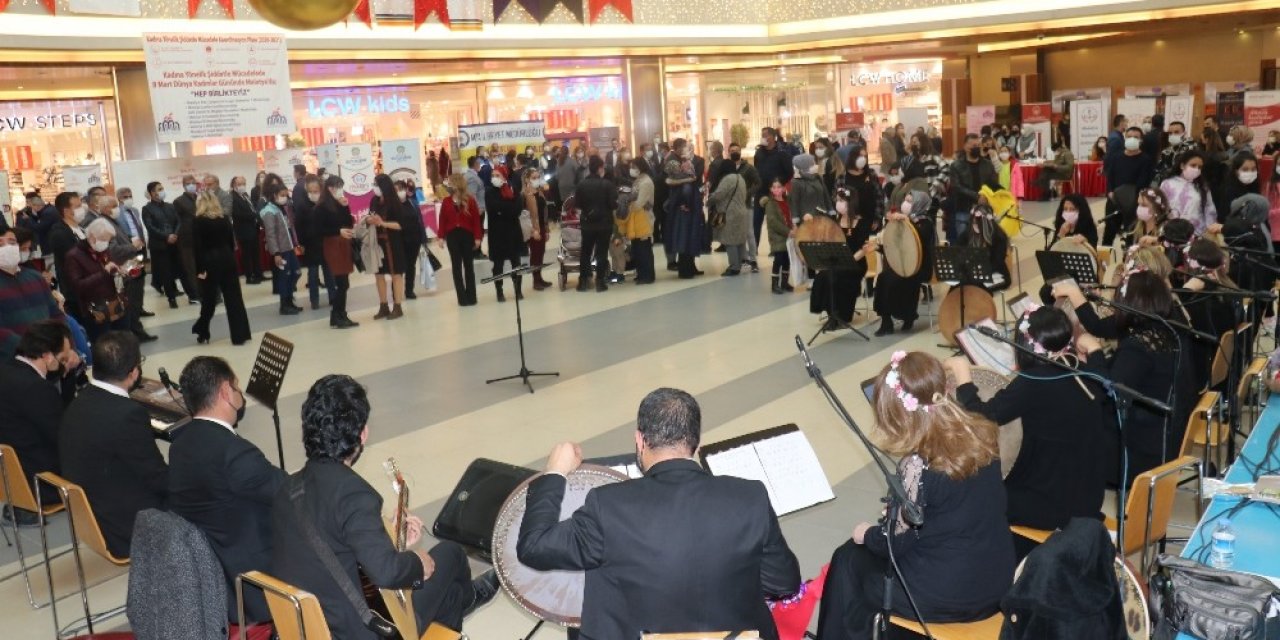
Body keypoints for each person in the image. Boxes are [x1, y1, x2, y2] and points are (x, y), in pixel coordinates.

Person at [517, 388, 800, 640]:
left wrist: (554, 473)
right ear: (696, 444)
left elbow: (534, 546)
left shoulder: (608, 506)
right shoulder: (749, 497)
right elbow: (783, 583)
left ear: (640, 440)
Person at [271, 375, 498, 640]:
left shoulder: (287, 488)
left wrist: (387, 536)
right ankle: (468, 598)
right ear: (362, 434)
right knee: (450, 554)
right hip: (362, 630)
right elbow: (386, 573)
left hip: (305, 627)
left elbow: (328, 543)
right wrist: (416, 563)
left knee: (446, 597)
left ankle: (457, 603)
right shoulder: (354, 493)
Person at [816, 351, 1014, 639]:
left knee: (849, 559)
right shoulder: (981, 432)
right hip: (996, 579)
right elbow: (949, 507)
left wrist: (868, 533)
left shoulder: (918, 464)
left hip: (950, 596)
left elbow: (893, 545)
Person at [949, 307, 1109, 552]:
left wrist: (962, 375)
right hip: (1088, 497)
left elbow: (984, 415)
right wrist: (1095, 348)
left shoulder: (1034, 382)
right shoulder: (1083, 370)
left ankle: (997, 560)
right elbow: (1101, 371)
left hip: (1054, 504)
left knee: (979, 491)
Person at [167, 356, 284, 623]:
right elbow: (288, 493)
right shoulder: (234, 453)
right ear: (224, 391)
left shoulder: (179, 446)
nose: (239, 392)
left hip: (210, 577)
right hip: (254, 584)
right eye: (236, 385)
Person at [1053, 272, 1197, 485]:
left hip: (1141, 452)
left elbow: (1108, 392)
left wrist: (1095, 352)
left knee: (1072, 412)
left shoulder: (1137, 347)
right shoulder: (1167, 328)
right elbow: (1101, 329)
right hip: (1166, 433)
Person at [60, 331, 167, 559]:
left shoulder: (79, 401)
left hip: (89, 518)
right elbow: (157, 477)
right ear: (134, 372)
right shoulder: (128, 414)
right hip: (124, 529)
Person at [0, 320, 78, 523]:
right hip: (41, 482)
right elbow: (64, 437)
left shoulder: (6, 371)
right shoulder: (36, 389)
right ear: (47, 355)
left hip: (9, 477)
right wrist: (68, 377)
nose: (66, 361)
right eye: (63, 357)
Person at [191, 191, 252, 346]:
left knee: (210, 299)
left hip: (209, 263)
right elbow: (231, 243)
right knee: (234, 298)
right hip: (228, 260)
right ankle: (241, 335)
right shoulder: (224, 219)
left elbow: (197, 248)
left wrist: (199, 270)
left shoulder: (198, 221)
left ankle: (202, 328)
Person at [873, 190, 936, 335]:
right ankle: (886, 320)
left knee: (895, 281)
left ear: (919, 203)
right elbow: (896, 246)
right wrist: (879, 247)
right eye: (905, 200)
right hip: (902, 263)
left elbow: (919, 240)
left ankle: (907, 315)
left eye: (910, 201)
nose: (905, 204)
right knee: (883, 278)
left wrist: (907, 221)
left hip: (920, 266)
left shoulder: (926, 222)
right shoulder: (902, 221)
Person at [0, 227, 65, 357]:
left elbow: (55, 313)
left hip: (49, 354)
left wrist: (62, 343)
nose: (7, 247)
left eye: (12, 242)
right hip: (13, 361)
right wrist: (30, 349)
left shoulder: (35, 277)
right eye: (0, 243)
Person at [64, 218, 132, 341]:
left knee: (124, 339)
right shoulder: (74, 256)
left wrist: (119, 271)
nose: (107, 244)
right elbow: (78, 286)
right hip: (96, 311)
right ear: (93, 237)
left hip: (116, 303)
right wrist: (104, 272)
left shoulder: (103, 251)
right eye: (105, 240)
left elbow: (110, 268)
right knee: (105, 344)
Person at [1102, 126, 1155, 246]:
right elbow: (1110, 176)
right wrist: (1110, 192)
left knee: (1132, 231)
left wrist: (1136, 198)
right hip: (1114, 199)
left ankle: (1129, 258)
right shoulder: (1116, 157)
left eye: (1136, 137)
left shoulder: (1145, 159)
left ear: (1141, 140)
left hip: (1134, 201)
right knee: (1109, 230)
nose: (1132, 139)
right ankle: (1103, 258)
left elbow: (1143, 182)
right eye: (1129, 136)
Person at [318, 176, 358, 329]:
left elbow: (348, 222)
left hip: (343, 245)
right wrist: (338, 231)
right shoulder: (322, 207)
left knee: (344, 282)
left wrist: (345, 207)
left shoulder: (338, 204)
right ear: (330, 188)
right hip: (332, 246)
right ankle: (339, 314)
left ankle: (337, 314)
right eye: (338, 186)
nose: (340, 190)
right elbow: (318, 230)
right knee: (342, 283)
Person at [366, 174, 408, 318]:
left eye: (376, 184)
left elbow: (400, 225)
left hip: (393, 243)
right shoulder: (374, 201)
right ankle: (383, 306)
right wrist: (369, 220)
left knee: (396, 274)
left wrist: (382, 223)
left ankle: (397, 306)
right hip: (378, 243)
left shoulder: (394, 202)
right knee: (379, 275)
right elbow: (370, 216)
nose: (374, 187)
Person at [438, 173, 483, 306]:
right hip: (452, 236)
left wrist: (477, 237)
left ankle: (471, 296)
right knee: (456, 267)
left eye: (450, 183)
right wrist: (440, 236)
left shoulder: (470, 200)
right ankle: (462, 298)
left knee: (469, 266)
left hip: (466, 235)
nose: (448, 185)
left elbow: (476, 220)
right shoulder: (446, 201)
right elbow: (442, 220)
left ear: (456, 184)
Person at [947, 134, 1001, 244]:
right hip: (964, 209)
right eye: (973, 145)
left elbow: (994, 184)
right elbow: (956, 187)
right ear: (966, 147)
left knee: (984, 241)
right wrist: (977, 197)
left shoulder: (987, 165)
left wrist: (987, 196)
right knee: (963, 241)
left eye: (978, 145)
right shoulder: (956, 165)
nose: (976, 147)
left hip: (984, 210)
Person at [754, 128, 795, 266]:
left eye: (766, 135)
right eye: (762, 135)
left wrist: (779, 183)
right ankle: (754, 250)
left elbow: (789, 172)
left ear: (773, 137)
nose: (763, 138)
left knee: (777, 220)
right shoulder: (759, 153)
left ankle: (776, 248)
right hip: (760, 191)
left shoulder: (782, 154)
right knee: (756, 221)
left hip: (776, 192)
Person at [485, 166, 526, 301]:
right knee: (498, 265)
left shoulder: (513, 190)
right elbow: (493, 207)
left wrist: (504, 210)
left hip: (513, 232)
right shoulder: (489, 192)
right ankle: (499, 291)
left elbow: (517, 209)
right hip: (497, 233)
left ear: (504, 176)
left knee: (516, 262)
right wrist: (507, 208)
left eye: (497, 175)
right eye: (493, 175)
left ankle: (518, 289)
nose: (494, 178)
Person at [577, 155, 618, 291]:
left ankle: (583, 281)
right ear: (600, 168)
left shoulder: (581, 184)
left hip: (587, 224)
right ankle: (600, 281)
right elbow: (613, 204)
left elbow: (577, 204)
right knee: (601, 253)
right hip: (604, 224)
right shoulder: (607, 185)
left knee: (585, 252)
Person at [260, 183, 303, 315]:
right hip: (281, 251)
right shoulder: (269, 211)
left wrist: (296, 243)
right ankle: (284, 305)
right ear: (274, 196)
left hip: (289, 247)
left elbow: (290, 227)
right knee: (285, 277)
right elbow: (270, 234)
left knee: (296, 272)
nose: (285, 198)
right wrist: (276, 253)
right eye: (282, 195)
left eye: (286, 195)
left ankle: (290, 300)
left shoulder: (282, 209)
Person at [140, 182, 183, 309]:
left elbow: (178, 221)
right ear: (152, 193)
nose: (162, 191)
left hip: (174, 243)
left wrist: (174, 234)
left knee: (177, 269)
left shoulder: (170, 206)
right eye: (159, 189)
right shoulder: (147, 209)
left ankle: (180, 291)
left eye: (162, 188)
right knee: (165, 272)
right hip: (159, 246)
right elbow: (150, 227)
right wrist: (166, 236)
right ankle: (171, 298)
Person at [294, 175, 332, 311]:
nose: (313, 194)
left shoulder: (325, 203)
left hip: (325, 243)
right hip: (310, 245)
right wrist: (301, 244)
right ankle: (314, 300)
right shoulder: (302, 205)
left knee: (329, 272)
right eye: (311, 191)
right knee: (313, 274)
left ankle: (332, 297)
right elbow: (298, 226)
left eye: (316, 191)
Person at [707, 160, 752, 276]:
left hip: (730, 213)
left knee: (730, 240)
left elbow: (719, 194)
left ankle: (734, 267)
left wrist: (709, 199)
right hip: (742, 211)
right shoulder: (740, 178)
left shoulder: (727, 179)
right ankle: (743, 262)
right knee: (740, 240)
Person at [1160, 149, 1218, 235]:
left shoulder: (1202, 188)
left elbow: (1209, 211)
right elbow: (1160, 208)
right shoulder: (1167, 184)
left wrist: (1209, 231)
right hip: (1171, 231)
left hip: (1196, 233)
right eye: (1193, 165)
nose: (1196, 169)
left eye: (1199, 167)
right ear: (1182, 165)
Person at [621, 157, 656, 285]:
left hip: (644, 219)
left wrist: (628, 203)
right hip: (636, 219)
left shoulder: (646, 182)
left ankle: (647, 276)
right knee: (637, 249)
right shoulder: (638, 180)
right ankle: (641, 273)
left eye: (634, 167)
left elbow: (639, 203)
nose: (632, 170)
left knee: (644, 249)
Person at [763, 178, 796, 294]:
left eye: (779, 187)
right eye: (774, 187)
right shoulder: (770, 204)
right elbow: (773, 222)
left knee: (787, 259)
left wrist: (793, 228)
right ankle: (774, 284)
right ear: (771, 189)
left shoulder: (787, 201)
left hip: (789, 236)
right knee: (779, 259)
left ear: (783, 188)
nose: (777, 189)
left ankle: (784, 282)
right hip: (778, 236)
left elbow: (791, 216)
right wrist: (788, 231)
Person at [229, 176, 263, 285]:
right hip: (243, 230)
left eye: (244, 183)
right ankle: (249, 276)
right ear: (234, 185)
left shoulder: (245, 195)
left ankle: (258, 274)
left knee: (256, 252)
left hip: (253, 228)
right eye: (239, 184)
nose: (242, 186)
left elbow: (251, 207)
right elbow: (237, 214)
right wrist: (253, 215)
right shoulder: (232, 197)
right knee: (247, 255)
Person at [396, 180, 427, 300]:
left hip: (414, 240)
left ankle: (409, 290)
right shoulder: (393, 206)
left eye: (401, 189)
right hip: (399, 240)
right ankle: (396, 291)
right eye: (397, 190)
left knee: (411, 265)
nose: (399, 192)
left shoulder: (413, 203)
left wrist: (423, 239)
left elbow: (420, 221)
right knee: (399, 266)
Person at [523, 168, 553, 290]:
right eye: (533, 178)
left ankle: (540, 277)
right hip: (533, 229)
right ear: (527, 179)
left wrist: (545, 229)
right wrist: (533, 230)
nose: (536, 180)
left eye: (537, 177)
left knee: (540, 253)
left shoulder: (540, 192)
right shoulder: (525, 195)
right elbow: (524, 216)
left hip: (541, 226)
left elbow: (543, 211)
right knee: (535, 254)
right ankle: (535, 280)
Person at [1213, 151, 1261, 223]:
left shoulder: (1255, 186)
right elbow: (1223, 218)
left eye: (1253, 169)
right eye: (1245, 169)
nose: (1250, 172)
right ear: (1236, 171)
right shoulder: (1228, 190)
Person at [174, 175, 201, 303]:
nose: (191, 185)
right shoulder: (178, 201)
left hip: (199, 238)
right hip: (186, 240)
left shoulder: (199, 198)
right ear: (183, 185)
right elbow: (177, 222)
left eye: (193, 182)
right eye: (188, 183)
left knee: (200, 266)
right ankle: (194, 295)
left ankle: (202, 290)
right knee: (190, 268)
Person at [788, 154, 833, 220]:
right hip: (807, 217)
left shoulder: (818, 178)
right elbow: (794, 201)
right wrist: (795, 217)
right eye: (813, 164)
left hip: (823, 214)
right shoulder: (796, 182)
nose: (816, 166)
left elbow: (826, 195)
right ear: (805, 167)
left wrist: (830, 209)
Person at [1153, 121, 1198, 186]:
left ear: (1184, 133)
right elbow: (1159, 169)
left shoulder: (1191, 148)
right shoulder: (1167, 151)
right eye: (1170, 133)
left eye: (1176, 132)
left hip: (1187, 185)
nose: (1173, 135)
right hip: (1169, 185)